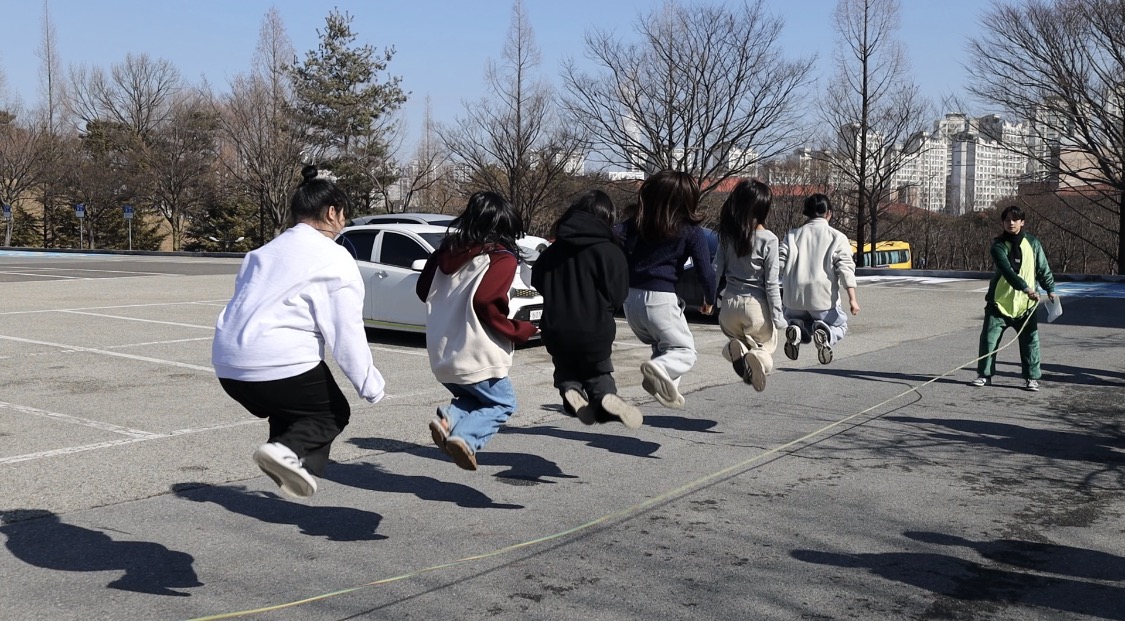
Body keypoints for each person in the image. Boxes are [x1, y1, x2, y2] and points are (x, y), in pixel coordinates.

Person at [213, 165, 386, 499]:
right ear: (332, 212)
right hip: (278, 360)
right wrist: (369, 384)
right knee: (332, 412)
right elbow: (345, 329)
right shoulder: (334, 257)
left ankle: (289, 460)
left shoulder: (261, 253)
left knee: (291, 408)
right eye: (344, 216)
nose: (344, 224)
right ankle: (286, 451)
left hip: (229, 366)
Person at [417, 191, 538, 471]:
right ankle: (465, 438)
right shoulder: (500, 257)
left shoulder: (443, 253)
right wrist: (519, 330)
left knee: (472, 398)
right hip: (478, 352)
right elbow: (485, 302)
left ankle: (447, 420)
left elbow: (423, 291)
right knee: (503, 403)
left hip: (442, 352)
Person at [532, 190, 641, 428]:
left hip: (556, 326)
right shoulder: (610, 251)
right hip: (595, 326)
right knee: (598, 372)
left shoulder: (552, 252)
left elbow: (536, 280)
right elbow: (619, 294)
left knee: (566, 369)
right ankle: (605, 397)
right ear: (607, 218)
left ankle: (571, 390)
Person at [616, 170, 717, 409]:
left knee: (665, 347)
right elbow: (705, 271)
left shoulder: (635, 223)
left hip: (630, 301)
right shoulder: (690, 230)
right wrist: (709, 298)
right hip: (659, 300)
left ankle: (668, 389)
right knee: (684, 351)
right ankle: (659, 369)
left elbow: (610, 237)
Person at [972, 205, 1056, 391]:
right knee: (989, 341)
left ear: (1022, 222)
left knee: (1030, 342)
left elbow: (1042, 268)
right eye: (1007, 220)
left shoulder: (1033, 243)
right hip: (999, 303)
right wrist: (1025, 288)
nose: (1011, 223)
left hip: (1026, 305)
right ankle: (984, 375)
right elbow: (1007, 271)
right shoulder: (998, 245)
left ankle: (1031, 378)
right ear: (1003, 222)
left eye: (1015, 219)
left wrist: (1050, 288)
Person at [713, 179, 785, 392]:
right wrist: (778, 317)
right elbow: (771, 284)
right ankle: (755, 358)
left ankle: (736, 349)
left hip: (729, 306)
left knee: (737, 342)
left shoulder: (727, 236)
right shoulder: (769, 240)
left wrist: (707, 298)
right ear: (764, 209)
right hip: (756, 307)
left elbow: (715, 270)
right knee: (765, 352)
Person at [778, 193, 860, 364]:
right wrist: (853, 299)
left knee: (803, 322)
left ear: (806, 213)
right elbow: (845, 268)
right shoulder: (837, 237)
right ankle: (826, 334)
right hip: (822, 300)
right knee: (840, 326)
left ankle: (797, 329)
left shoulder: (792, 235)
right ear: (829, 213)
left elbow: (779, 262)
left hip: (793, 299)